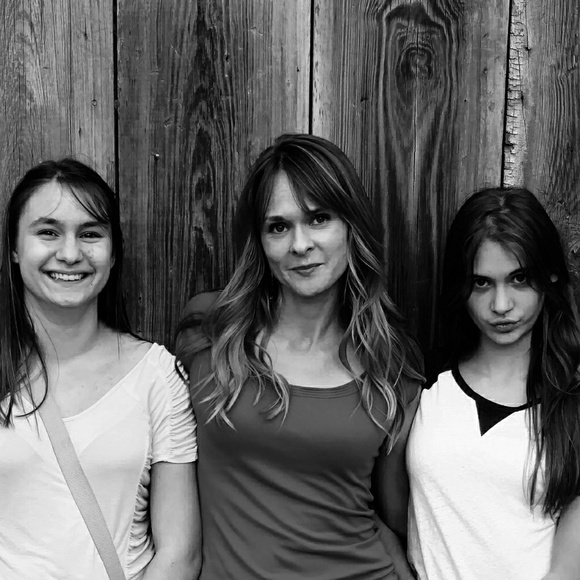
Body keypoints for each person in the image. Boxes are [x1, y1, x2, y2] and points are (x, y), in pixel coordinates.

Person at [177, 133, 424, 579]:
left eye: (319, 219)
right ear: (259, 241)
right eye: (278, 226)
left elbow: (394, 517)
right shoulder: (210, 332)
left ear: (350, 226)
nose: (300, 244)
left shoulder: (389, 364)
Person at [0, 159, 201, 580]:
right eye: (48, 232)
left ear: (113, 255)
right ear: (15, 248)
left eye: (90, 233)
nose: (70, 253)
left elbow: (179, 554)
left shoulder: (156, 375)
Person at [407, 187, 580, 579]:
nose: (501, 306)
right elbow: (392, 510)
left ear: (550, 274)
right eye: (482, 283)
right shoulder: (424, 382)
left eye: (519, 278)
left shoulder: (572, 398)